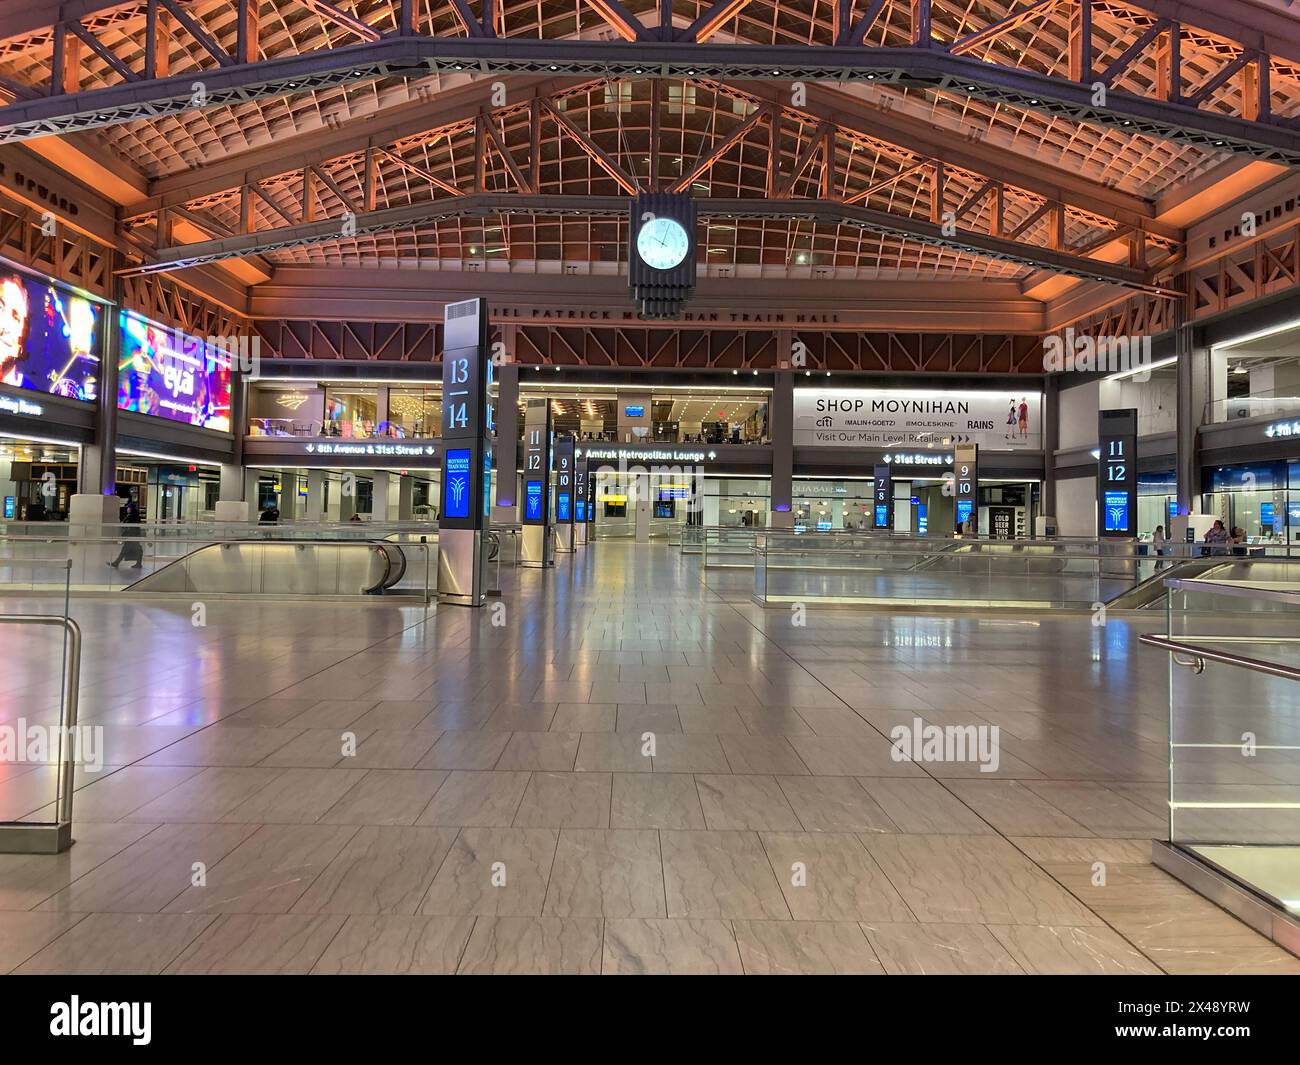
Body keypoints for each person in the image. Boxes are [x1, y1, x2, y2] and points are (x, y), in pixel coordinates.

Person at [107, 500, 144, 570]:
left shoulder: (132, 516)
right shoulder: (132, 516)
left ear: (131, 509)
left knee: (128, 549)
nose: (127, 509)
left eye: (129, 508)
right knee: (137, 549)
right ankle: (138, 563)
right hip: (132, 536)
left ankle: (117, 563)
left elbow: (130, 526)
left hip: (132, 536)